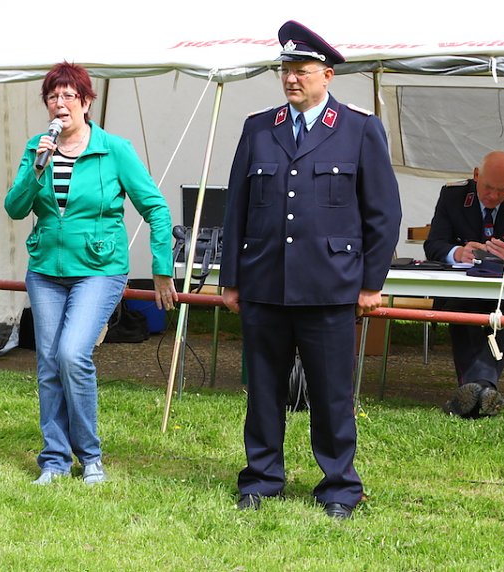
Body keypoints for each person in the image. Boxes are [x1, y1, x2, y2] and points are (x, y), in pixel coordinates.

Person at [219, 21, 401, 519]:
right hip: (265, 285)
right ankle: (261, 479)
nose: (291, 79)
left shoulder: (359, 128)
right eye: (286, 70)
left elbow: (383, 213)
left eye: (301, 71)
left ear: (328, 75)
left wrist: (371, 283)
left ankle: (340, 487)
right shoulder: (259, 127)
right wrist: (230, 279)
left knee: (331, 396)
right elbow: (237, 206)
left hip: (330, 287)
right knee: (263, 392)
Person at [4, 62, 178, 486]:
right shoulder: (37, 148)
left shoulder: (114, 149)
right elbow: (14, 208)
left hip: (99, 269)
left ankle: (91, 457)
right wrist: (37, 168)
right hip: (46, 269)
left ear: (85, 101)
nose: (59, 104)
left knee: (71, 354)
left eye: (68, 96)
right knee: (47, 362)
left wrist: (160, 267)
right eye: (52, 97)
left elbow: (155, 208)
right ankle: (54, 460)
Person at [423, 151, 504, 418]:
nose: (493, 196)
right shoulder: (453, 196)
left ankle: (473, 390)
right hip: (462, 289)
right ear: (476, 175)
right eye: (488, 187)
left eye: (502, 190)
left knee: (502, 312)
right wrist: (457, 252)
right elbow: (433, 244)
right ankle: (485, 389)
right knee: (464, 310)